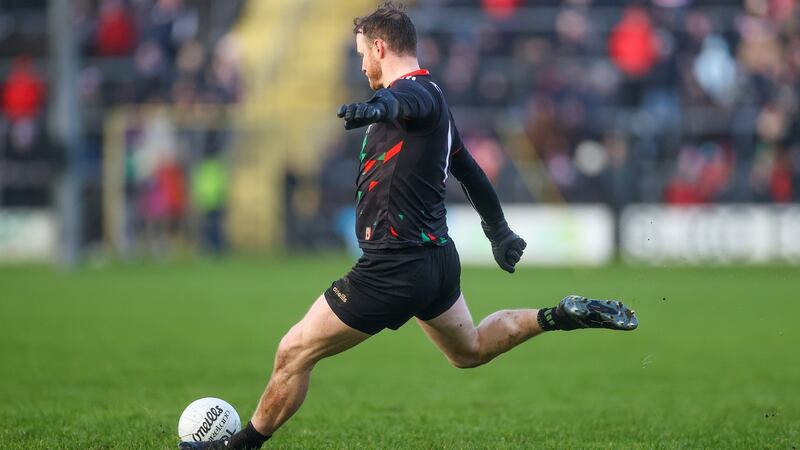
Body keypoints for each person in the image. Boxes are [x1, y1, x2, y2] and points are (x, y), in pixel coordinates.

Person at [180, 3, 637, 449]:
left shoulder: (415, 97)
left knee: (293, 353)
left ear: (379, 48)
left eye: (362, 54)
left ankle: (240, 445)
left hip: (393, 267)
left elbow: (404, 99)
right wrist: (498, 231)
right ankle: (559, 315)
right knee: (470, 350)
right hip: (436, 262)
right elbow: (472, 173)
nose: (360, 65)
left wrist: (378, 106)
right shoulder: (437, 102)